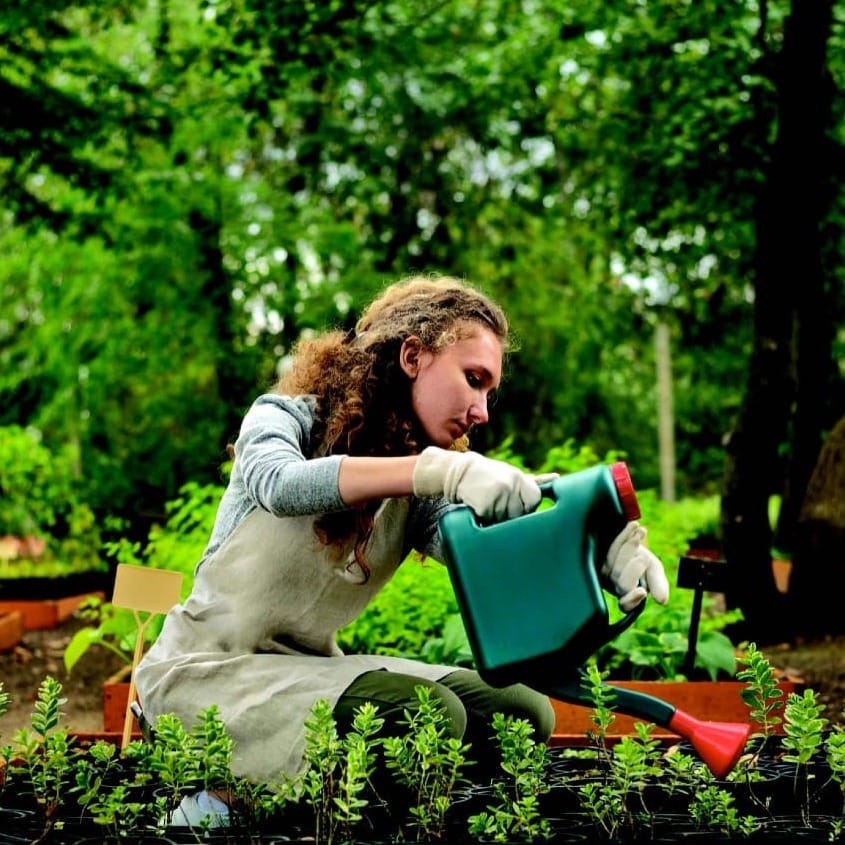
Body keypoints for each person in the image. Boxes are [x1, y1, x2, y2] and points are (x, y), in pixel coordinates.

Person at [134, 274, 670, 827]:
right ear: (413, 355)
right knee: (429, 717)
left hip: (306, 673)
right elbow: (278, 484)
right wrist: (436, 470)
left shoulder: (416, 493)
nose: (482, 410)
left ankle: (376, 802)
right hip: (205, 676)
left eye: (490, 391)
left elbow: (488, 557)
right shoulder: (285, 419)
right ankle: (226, 803)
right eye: (473, 379)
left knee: (520, 711)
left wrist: (596, 554)